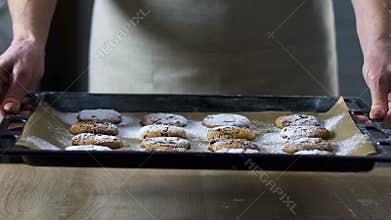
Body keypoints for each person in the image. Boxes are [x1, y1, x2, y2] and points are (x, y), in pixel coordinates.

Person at [0, 0, 389, 124]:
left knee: (297, 201)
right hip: (138, 58)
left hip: (288, 50)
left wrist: (381, 40)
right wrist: (27, 37)